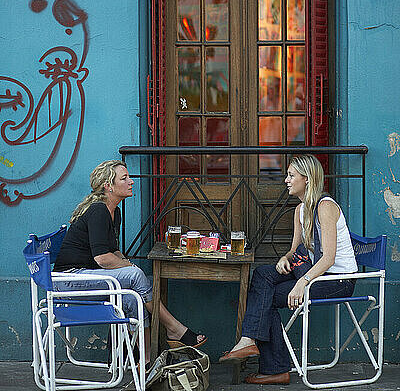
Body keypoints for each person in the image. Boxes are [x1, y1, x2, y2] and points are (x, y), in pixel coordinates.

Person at [219, 154, 357, 385]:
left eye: (291, 175)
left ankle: (273, 367)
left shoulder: (326, 207)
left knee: (268, 296)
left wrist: (302, 283)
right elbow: (295, 250)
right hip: (313, 271)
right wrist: (285, 258)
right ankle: (249, 341)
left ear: (308, 179)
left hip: (337, 281)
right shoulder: (300, 210)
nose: (286, 180)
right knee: (263, 274)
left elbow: (329, 258)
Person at [53, 160, 206, 364]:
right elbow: (102, 258)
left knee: (134, 299)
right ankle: (175, 328)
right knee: (135, 275)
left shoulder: (114, 212)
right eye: (124, 178)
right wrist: (130, 268)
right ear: (108, 186)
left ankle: (146, 362)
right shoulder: (99, 211)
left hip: (85, 277)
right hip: (68, 281)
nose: (131, 182)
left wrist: (126, 263)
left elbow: (113, 251)